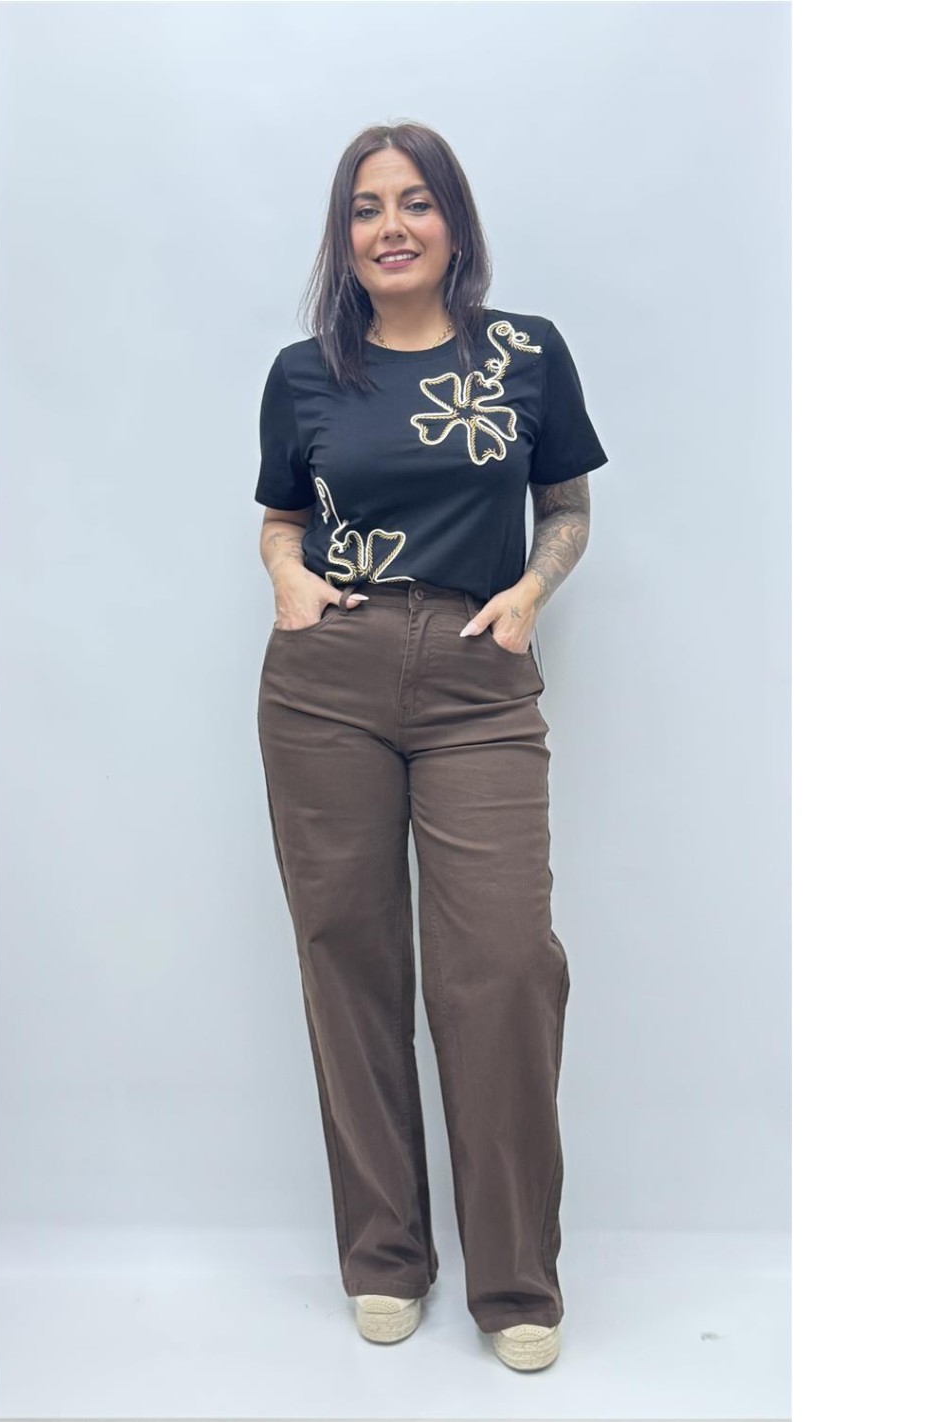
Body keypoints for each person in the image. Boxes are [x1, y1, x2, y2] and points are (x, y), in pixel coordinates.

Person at [254, 122, 608, 1373]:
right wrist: (288, 578)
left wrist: (529, 593)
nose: (389, 226)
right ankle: (384, 1256)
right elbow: (279, 517)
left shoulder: (525, 354)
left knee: (501, 966)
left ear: (453, 223)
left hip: (477, 677)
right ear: (342, 236)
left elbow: (565, 505)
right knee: (346, 962)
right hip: (325, 683)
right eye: (365, 208)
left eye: (414, 202)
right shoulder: (305, 372)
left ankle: (514, 1279)